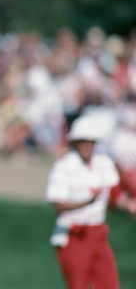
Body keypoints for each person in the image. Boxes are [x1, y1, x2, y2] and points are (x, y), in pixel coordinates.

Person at [46, 115, 136, 289]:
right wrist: (87, 202)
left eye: (91, 141)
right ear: (75, 142)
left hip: (98, 233)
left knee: (109, 284)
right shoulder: (64, 166)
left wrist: (129, 205)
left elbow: (116, 195)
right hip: (74, 234)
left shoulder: (103, 163)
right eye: (83, 141)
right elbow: (58, 205)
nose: (87, 145)